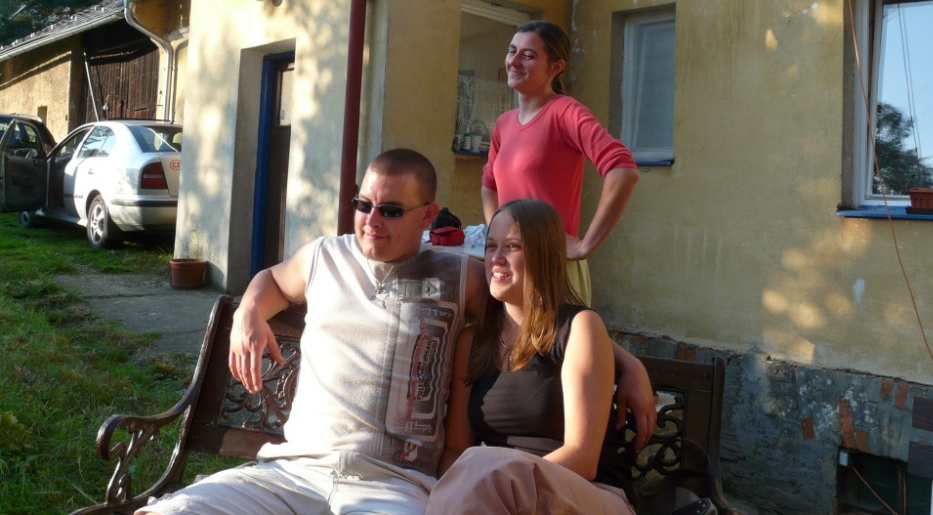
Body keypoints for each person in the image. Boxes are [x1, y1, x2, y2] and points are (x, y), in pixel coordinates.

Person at [138, 148, 654, 515]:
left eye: (390, 210)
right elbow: (273, 280)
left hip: (393, 485)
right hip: (290, 471)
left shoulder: (460, 275)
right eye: (363, 204)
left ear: (427, 215)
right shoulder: (323, 256)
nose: (371, 221)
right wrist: (249, 311)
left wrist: (626, 362)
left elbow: (535, 311)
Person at [428, 198, 635, 514]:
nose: (496, 258)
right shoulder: (473, 343)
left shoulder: (579, 328)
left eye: (512, 246)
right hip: (501, 498)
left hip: (588, 494)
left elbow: (583, 458)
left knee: (484, 467)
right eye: (491, 246)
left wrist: (503, 478)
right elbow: (456, 449)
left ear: (544, 256)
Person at [481, 20, 640, 305]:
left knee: (562, 336)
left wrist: (586, 246)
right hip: (510, 270)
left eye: (528, 55)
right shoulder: (503, 124)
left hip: (551, 268)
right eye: (512, 51)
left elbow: (623, 170)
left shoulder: (566, 112)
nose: (514, 61)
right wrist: (497, 241)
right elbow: (489, 187)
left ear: (555, 67)